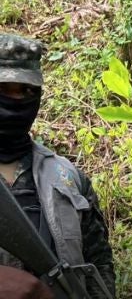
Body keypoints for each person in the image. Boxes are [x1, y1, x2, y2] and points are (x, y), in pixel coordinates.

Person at [0, 33, 115, 298]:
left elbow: (99, 268)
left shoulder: (68, 178)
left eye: (27, 91)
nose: (16, 101)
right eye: (4, 90)